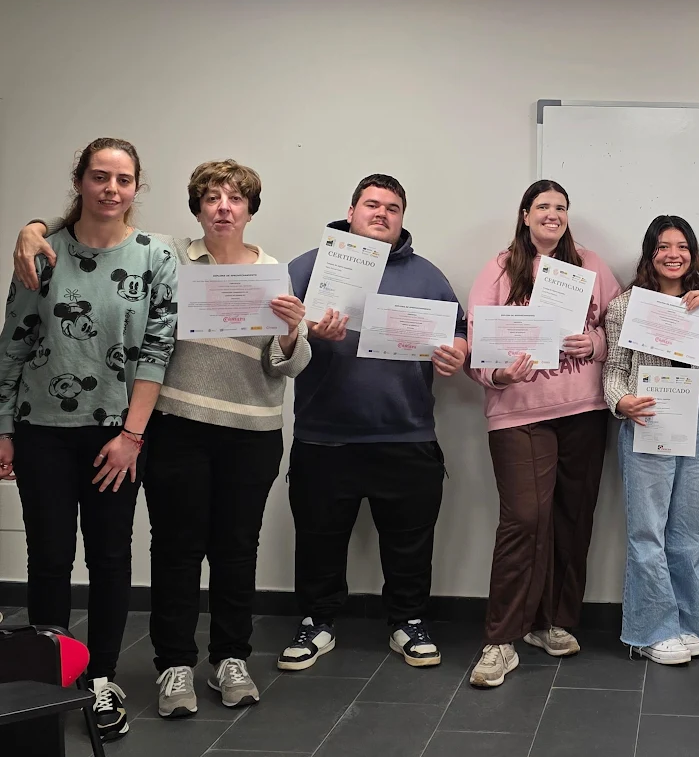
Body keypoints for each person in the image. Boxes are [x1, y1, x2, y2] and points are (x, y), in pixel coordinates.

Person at [12, 159, 311, 719]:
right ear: (197, 207)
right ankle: (174, 664)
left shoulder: (273, 272)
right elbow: (98, 234)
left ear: (250, 209)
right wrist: (32, 227)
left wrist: (293, 331)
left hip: (251, 429)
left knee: (236, 549)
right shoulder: (165, 255)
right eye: (213, 197)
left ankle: (230, 658)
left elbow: (284, 367)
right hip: (175, 424)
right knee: (175, 550)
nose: (224, 207)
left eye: (236, 198)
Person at [0, 137, 178, 741]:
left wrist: (133, 435)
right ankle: (50, 681)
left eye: (123, 179)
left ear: (136, 188)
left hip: (116, 436)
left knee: (109, 558)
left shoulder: (157, 255)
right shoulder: (42, 251)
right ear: (79, 181)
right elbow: (14, 341)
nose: (111, 188)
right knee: (48, 559)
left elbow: (157, 351)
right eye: (99, 176)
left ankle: (101, 678)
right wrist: (2, 427)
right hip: (40, 431)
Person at [279, 174, 469, 672]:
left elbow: (460, 330)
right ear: (351, 210)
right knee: (319, 537)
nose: (382, 214)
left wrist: (458, 353)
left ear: (402, 218)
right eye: (372, 205)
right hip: (324, 435)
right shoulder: (309, 266)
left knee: (410, 540)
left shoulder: (426, 275)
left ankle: (407, 621)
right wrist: (306, 332)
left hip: (406, 435)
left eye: (392, 208)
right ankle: (317, 621)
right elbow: (274, 330)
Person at [465, 180, 620, 688]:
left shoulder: (592, 266)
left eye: (561, 207)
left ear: (567, 216)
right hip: (518, 413)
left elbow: (619, 331)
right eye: (543, 207)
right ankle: (500, 640)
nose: (552, 215)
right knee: (524, 520)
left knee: (572, 517)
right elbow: (474, 344)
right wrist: (497, 374)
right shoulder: (498, 268)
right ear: (525, 214)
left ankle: (553, 623)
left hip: (584, 411)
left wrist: (592, 341)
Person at [603, 215, 699, 665]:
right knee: (647, 530)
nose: (673, 254)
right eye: (663, 246)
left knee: (690, 531)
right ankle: (650, 631)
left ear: (692, 254)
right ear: (649, 253)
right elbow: (613, 371)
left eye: (682, 246)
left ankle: (688, 623)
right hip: (647, 420)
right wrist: (623, 403)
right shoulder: (626, 305)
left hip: (693, 419)